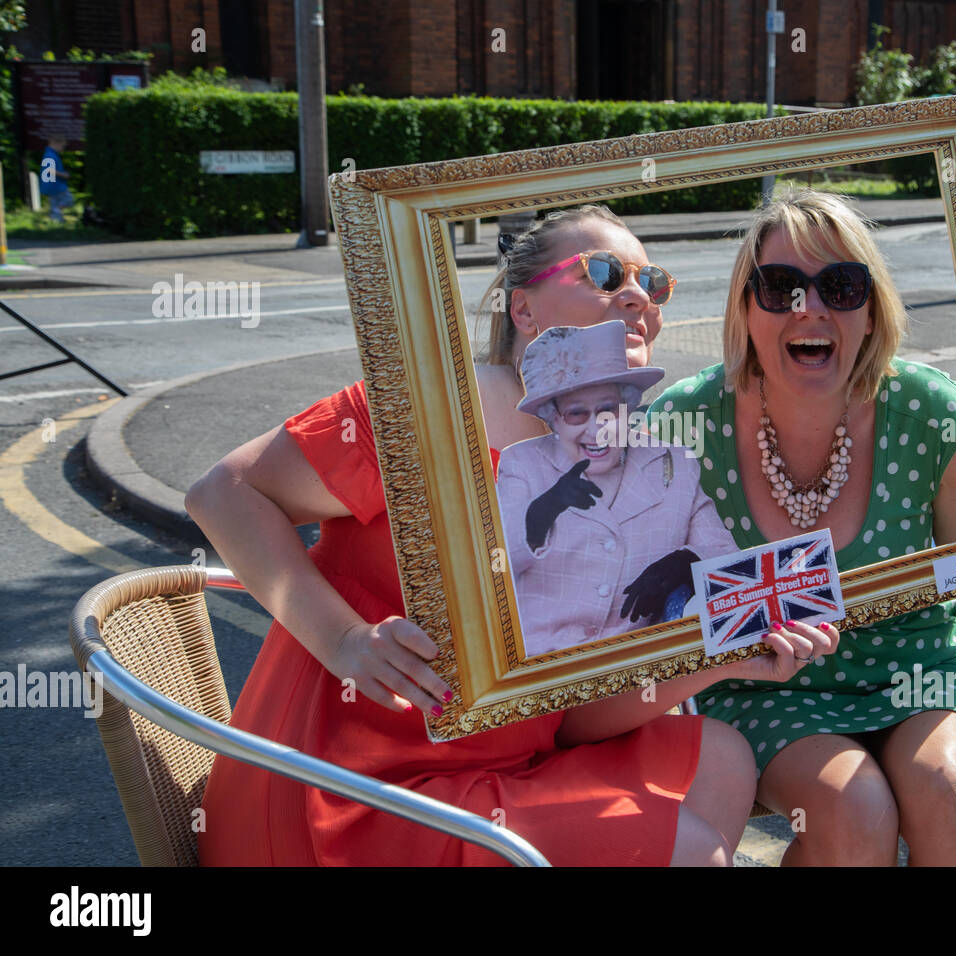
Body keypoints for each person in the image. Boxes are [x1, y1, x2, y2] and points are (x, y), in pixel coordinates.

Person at [189, 203, 840, 866]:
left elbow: (574, 716)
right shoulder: (431, 410)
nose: (640, 295)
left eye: (655, 281)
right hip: (345, 795)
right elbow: (223, 494)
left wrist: (720, 652)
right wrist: (344, 641)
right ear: (523, 310)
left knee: (723, 758)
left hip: (502, 771)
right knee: (693, 853)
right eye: (607, 272)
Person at [648, 187, 956, 866]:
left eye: (841, 285)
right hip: (765, 686)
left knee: (947, 788)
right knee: (854, 805)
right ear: (744, 309)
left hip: (920, 671)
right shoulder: (682, 424)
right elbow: (637, 601)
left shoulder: (928, 408)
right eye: (781, 286)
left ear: (872, 310)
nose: (810, 306)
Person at [497, 320, 735, 655]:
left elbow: (726, 560)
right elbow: (493, 570)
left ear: (628, 405)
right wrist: (543, 511)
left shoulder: (673, 462)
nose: (599, 428)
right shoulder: (522, 465)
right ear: (554, 419)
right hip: (540, 674)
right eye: (577, 413)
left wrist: (688, 564)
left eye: (608, 409)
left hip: (636, 677)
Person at [40, 135, 73, 223]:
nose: (63, 149)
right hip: (55, 185)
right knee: (68, 200)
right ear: (55, 143)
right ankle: (56, 213)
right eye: (62, 146)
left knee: (55, 203)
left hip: (51, 185)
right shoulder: (50, 155)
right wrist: (64, 175)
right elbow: (49, 170)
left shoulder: (50, 154)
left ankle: (56, 221)